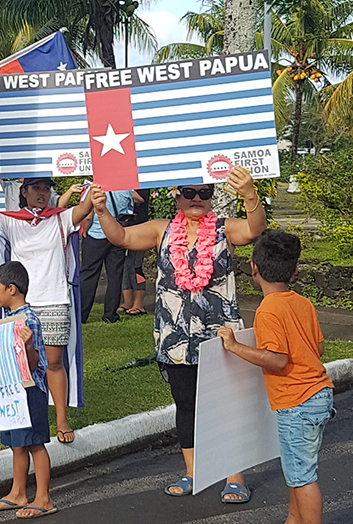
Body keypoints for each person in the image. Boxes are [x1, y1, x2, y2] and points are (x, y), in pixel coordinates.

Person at [90, 165, 266, 502]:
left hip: (221, 336)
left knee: (228, 404)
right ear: (177, 196)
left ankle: (235, 476)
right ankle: (193, 471)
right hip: (176, 338)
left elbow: (255, 229)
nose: (197, 199)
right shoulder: (161, 230)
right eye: (189, 192)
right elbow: (121, 237)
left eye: (205, 193)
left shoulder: (224, 230)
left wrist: (249, 194)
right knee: (185, 404)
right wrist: (100, 209)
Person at [0, 177, 93, 444]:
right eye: (36, 188)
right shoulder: (13, 221)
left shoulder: (60, 218)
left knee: (54, 364)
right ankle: (23, 419)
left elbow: (84, 209)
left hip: (55, 300)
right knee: (21, 365)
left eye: (46, 189)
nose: (42, 193)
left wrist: (98, 184)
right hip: (21, 306)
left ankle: (60, 420)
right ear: (24, 192)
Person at [218, 230, 334, 523]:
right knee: (297, 470)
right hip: (318, 393)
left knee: (303, 477)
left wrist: (235, 346)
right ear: (294, 270)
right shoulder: (302, 303)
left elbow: (278, 360)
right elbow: (317, 348)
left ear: (254, 269)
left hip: (297, 402)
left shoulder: (268, 310)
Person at [0, 261, 56, 519]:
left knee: (34, 443)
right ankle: (18, 492)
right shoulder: (5, 321)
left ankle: (43, 497)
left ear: (12, 289)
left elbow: (34, 365)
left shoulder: (27, 320)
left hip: (30, 391)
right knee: (16, 444)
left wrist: (29, 345)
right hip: (11, 392)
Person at [80, 189, 135, 324]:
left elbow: (87, 215)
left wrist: (84, 231)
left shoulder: (94, 190)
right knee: (115, 276)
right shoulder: (126, 191)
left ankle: (81, 314)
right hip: (117, 235)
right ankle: (110, 315)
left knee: (89, 275)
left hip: (95, 235)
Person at [119, 189, 149, 316]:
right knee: (125, 265)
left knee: (136, 266)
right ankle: (127, 302)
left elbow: (139, 198)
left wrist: (122, 191)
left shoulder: (142, 184)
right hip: (125, 226)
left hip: (140, 228)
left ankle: (139, 304)